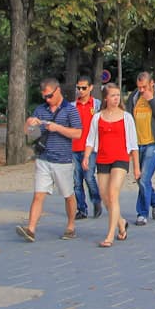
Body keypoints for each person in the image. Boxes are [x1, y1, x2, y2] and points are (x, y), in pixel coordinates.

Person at [17, 78, 83, 242]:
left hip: (63, 160)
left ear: (58, 91)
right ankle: (31, 229)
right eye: (44, 97)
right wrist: (29, 124)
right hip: (43, 159)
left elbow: (78, 133)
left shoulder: (70, 110)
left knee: (68, 195)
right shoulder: (41, 110)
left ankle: (70, 225)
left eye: (49, 96)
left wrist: (58, 128)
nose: (47, 100)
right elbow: (31, 135)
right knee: (38, 195)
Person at [83, 83, 140, 247]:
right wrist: (86, 156)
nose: (116, 98)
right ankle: (121, 224)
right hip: (102, 158)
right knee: (105, 196)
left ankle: (109, 235)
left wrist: (136, 167)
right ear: (106, 98)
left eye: (118, 95)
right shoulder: (98, 117)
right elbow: (90, 139)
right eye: (113, 95)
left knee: (113, 193)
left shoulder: (126, 117)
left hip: (120, 158)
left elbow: (134, 145)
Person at [128, 72, 155, 226]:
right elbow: (128, 118)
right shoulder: (134, 97)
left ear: (151, 83)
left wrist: (151, 100)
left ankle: (142, 213)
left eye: (144, 87)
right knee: (140, 179)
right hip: (137, 144)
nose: (141, 90)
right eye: (139, 87)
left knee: (144, 178)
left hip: (153, 143)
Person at [70, 75, 102, 221]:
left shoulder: (96, 105)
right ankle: (81, 209)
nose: (81, 91)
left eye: (84, 88)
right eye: (78, 88)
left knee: (89, 177)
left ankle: (96, 201)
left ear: (90, 88)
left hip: (91, 147)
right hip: (74, 147)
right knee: (77, 181)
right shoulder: (71, 106)